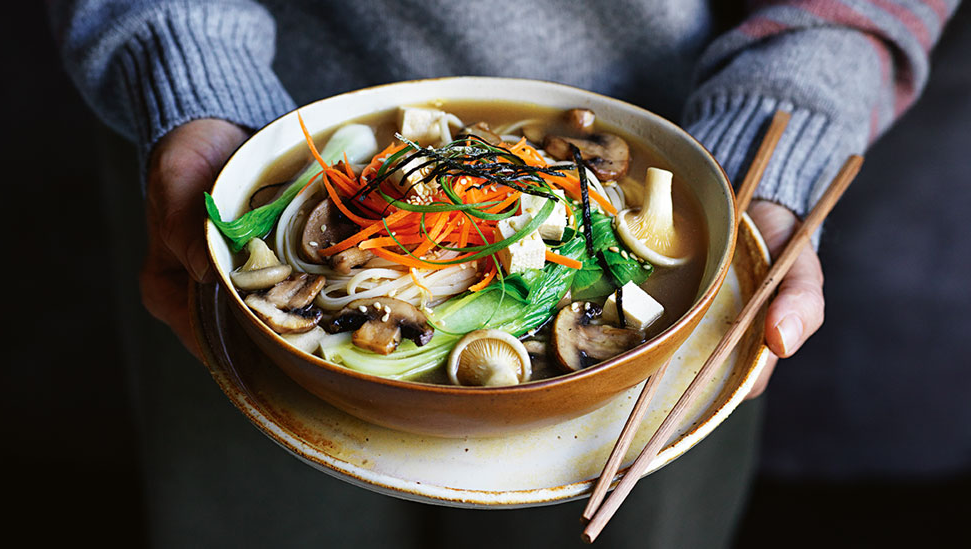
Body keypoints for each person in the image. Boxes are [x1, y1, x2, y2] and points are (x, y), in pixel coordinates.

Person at [48, 1, 959, 547]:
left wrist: (792, 103)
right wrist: (181, 60)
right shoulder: (259, 203)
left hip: (682, 138)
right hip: (243, 139)